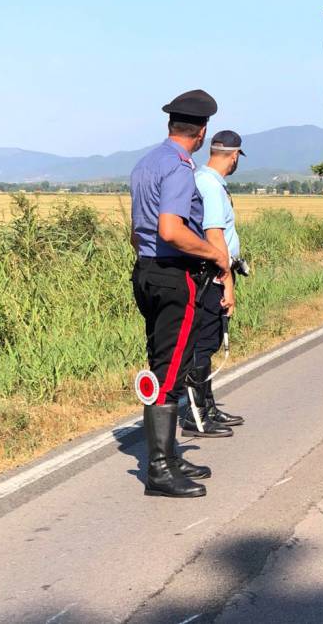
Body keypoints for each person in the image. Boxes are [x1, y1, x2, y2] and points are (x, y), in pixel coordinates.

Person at [130, 89, 230, 499]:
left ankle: (169, 456)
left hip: (147, 271)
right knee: (170, 371)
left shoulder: (146, 163)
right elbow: (171, 229)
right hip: (174, 275)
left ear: (172, 124)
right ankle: (158, 471)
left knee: (161, 363)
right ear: (202, 131)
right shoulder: (177, 168)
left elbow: (140, 230)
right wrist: (215, 255)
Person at [179, 130, 247, 438]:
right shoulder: (210, 185)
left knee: (208, 341)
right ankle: (198, 415)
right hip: (212, 273)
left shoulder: (205, 179)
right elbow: (215, 235)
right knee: (204, 343)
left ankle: (208, 407)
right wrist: (227, 279)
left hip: (210, 270)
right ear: (233, 156)